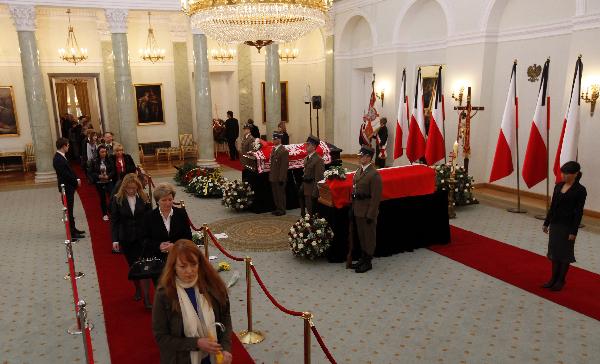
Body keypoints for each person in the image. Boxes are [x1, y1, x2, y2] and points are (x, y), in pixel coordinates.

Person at [152, 240, 233, 364]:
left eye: (193, 264)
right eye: (183, 266)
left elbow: (225, 318)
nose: (189, 271)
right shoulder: (164, 294)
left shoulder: (212, 285)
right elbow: (161, 337)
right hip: (183, 359)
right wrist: (196, 343)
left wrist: (226, 348)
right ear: (173, 266)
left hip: (213, 357)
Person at [542, 161, 587, 291]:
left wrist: (574, 232)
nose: (564, 175)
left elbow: (579, 212)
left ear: (576, 174)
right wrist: (547, 222)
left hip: (568, 226)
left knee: (565, 254)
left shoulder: (580, 190)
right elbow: (553, 206)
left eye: (567, 173)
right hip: (555, 224)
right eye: (563, 172)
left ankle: (561, 280)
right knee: (554, 252)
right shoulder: (558, 186)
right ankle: (553, 279)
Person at [111, 173, 153, 308]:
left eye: (134, 188)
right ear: (124, 187)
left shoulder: (144, 198)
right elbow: (114, 222)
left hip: (142, 239)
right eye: (129, 188)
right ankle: (138, 289)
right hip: (127, 239)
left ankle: (147, 299)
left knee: (144, 267)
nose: (131, 191)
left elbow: (149, 218)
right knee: (134, 267)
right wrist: (115, 240)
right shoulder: (117, 200)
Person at [145, 183, 193, 283]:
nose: (168, 203)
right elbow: (144, 239)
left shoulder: (181, 213)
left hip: (179, 259)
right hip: (158, 261)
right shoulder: (149, 217)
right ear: (157, 201)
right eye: (164, 200)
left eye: (170, 199)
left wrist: (175, 246)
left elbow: (188, 237)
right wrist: (158, 246)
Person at [350, 145, 382, 273]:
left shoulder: (374, 175)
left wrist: (371, 214)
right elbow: (355, 188)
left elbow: (375, 198)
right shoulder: (359, 170)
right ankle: (363, 258)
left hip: (367, 212)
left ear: (368, 157)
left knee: (369, 237)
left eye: (362, 156)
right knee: (362, 236)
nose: (360, 158)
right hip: (358, 209)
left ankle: (368, 261)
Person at [52, 137, 85, 241]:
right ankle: (71, 233)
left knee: (70, 209)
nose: (69, 147)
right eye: (68, 145)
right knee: (69, 210)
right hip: (65, 187)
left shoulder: (62, 156)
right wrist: (76, 182)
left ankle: (73, 229)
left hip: (69, 186)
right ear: (64, 146)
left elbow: (70, 170)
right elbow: (65, 174)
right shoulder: (57, 159)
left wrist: (77, 178)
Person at [299, 135, 325, 216]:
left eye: (308, 144)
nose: (306, 146)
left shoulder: (318, 160)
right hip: (306, 186)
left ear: (314, 147)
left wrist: (315, 193)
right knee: (307, 208)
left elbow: (319, 178)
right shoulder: (307, 158)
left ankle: (312, 225)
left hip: (312, 189)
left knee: (312, 211)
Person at [90, 145, 115, 221]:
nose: (104, 153)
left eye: (105, 152)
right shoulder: (94, 161)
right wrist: (99, 176)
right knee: (102, 198)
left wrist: (109, 176)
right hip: (99, 182)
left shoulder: (110, 160)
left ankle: (112, 212)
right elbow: (91, 172)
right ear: (98, 152)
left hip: (109, 181)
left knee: (111, 197)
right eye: (102, 152)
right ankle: (104, 214)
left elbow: (113, 171)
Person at [269, 132, 289, 216]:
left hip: (280, 177)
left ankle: (282, 209)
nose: (273, 140)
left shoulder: (283, 151)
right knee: (275, 193)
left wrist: (282, 178)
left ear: (280, 139)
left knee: (280, 194)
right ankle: (278, 208)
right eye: (273, 138)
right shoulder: (274, 149)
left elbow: (284, 166)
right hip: (273, 176)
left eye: (275, 139)